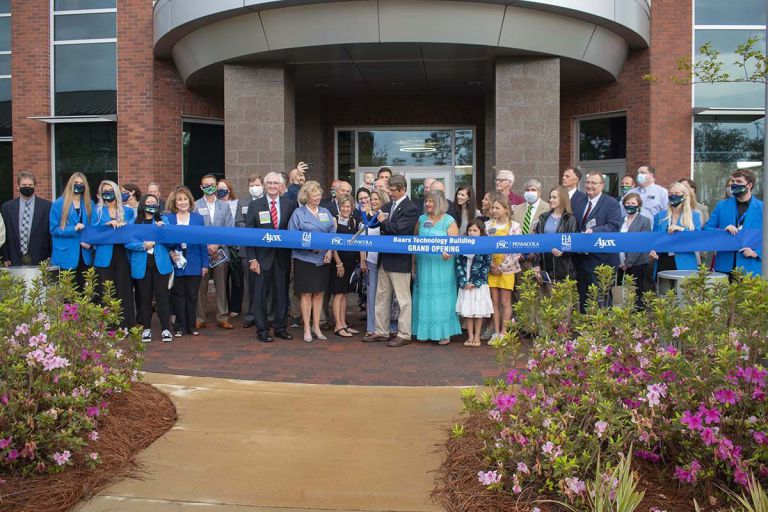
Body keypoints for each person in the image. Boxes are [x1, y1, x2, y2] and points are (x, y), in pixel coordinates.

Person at [362, 174, 420, 347]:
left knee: (403, 299)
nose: (390, 193)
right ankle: (381, 331)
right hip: (384, 259)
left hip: (400, 260)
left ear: (403, 189)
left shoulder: (411, 208)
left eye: (393, 190)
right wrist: (371, 218)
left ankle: (404, 333)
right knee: (382, 297)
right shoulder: (387, 205)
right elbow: (378, 226)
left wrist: (384, 221)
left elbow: (398, 230)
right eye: (389, 189)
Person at [245, 172, 297, 342]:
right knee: (261, 295)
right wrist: (252, 258)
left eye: (276, 183)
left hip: (282, 258)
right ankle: (262, 330)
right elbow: (249, 235)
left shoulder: (289, 204)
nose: (273, 186)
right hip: (261, 258)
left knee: (281, 294)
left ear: (281, 185)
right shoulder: (255, 205)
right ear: (265, 185)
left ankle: (280, 327)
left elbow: (293, 231)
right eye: (270, 183)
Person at [288, 181, 340, 342]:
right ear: (306, 196)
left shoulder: (325, 212)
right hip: (304, 259)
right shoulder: (299, 213)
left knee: (319, 293)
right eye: (314, 194)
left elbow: (333, 232)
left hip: (323, 259)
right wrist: (311, 248)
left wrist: (330, 251)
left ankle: (316, 326)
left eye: (319, 194)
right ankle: (306, 328)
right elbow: (293, 236)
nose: (317, 197)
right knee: (306, 294)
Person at [411, 190, 462, 345]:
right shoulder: (421, 219)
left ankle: (444, 333)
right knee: (424, 295)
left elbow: (455, 244)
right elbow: (414, 240)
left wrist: (450, 252)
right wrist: (413, 263)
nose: (427, 204)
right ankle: (425, 332)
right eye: (426, 201)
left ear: (439, 203)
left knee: (442, 297)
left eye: (430, 201)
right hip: (424, 264)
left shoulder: (449, 220)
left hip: (442, 265)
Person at [572, 171, 623, 311]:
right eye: (587, 182)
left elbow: (614, 226)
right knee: (584, 299)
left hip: (602, 260)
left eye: (593, 183)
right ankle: (585, 331)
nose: (589, 185)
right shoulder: (577, 202)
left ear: (602, 185)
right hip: (581, 260)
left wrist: (594, 231)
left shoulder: (611, 203)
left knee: (602, 299)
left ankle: (602, 331)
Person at [127, 194, 173, 343]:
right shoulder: (134, 222)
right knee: (144, 299)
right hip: (142, 266)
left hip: (160, 265)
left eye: (154, 202)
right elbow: (127, 243)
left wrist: (163, 231)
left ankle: (165, 329)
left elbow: (172, 241)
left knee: (162, 298)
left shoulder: (164, 221)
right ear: (142, 204)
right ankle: (146, 329)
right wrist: (143, 246)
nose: (152, 204)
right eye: (148, 202)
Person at [91, 180, 136, 328]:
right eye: (105, 191)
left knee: (124, 289)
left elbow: (133, 232)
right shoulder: (96, 211)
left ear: (116, 192)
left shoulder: (127, 211)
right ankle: (108, 326)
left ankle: (125, 325)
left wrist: (125, 225)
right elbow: (92, 233)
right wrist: (106, 226)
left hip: (122, 253)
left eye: (110, 190)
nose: (108, 194)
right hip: (104, 256)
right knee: (106, 290)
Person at [164, 186, 208, 337]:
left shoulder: (198, 218)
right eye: (179, 200)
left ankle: (191, 325)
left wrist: (204, 264)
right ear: (174, 203)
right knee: (178, 294)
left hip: (195, 262)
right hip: (177, 262)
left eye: (185, 199)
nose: (182, 202)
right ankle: (179, 326)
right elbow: (164, 241)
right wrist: (170, 251)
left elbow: (203, 241)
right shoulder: (168, 219)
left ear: (190, 201)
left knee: (192, 295)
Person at [704, 169, 763, 277]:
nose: (734, 184)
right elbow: (707, 228)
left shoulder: (763, 208)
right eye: (733, 181)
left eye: (739, 182)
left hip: (751, 267)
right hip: (724, 266)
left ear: (749, 185)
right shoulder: (721, 205)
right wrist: (722, 231)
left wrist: (758, 252)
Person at [194, 174, 234, 330]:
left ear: (216, 186)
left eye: (212, 184)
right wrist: (206, 246)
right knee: (200, 286)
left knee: (221, 284)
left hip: (220, 252)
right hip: (201, 252)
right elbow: (194, 230)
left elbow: (229, 229)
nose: (209, 187)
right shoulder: (195, 206)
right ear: (201, 187)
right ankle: (199, 317)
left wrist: (217, 244)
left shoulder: (224, 206)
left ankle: (222, 316)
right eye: (206, 184)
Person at [359, 188, 398, 338]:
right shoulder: (365, 217)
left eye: (376, 199)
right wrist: (362, 259)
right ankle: (371, 327)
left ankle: (389, 327)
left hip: (385, 260)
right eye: (372, 199)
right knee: (371, 294)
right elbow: (362, 239)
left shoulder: (386, 216)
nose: (373, 202)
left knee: (386, 297)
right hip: (371, 261)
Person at [486, 192, 521, 340]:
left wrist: (501, 267)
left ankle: (504, 332)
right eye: (492, 207)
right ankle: (496, 331)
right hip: (492, 269)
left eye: (497, 208)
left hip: (507, 270)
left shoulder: (514, 227)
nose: (494, 210)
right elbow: (484, 247)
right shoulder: (488, 226)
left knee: (505, 301)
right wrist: (491, 265)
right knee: (494, 301)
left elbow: (517, 250)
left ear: (506, 209)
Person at [50, 173, 94, 289]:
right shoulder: (58, 204)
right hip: (66, 254)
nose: (78, 185)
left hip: (85, 255)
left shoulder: (90, 204)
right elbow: (53, 229)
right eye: (76, 183)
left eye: (81, 184)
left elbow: (93, 228)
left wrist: (90, 242)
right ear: (70, 184)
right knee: (67, 295)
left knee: (85, 293)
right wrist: (73, 229)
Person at [649, 182, 702, 277]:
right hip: (664, 260)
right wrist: (653, 251)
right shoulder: (660, 216)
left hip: (685, 262)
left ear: (684, 195)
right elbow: (655, 238)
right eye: (671, 194)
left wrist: (681, 229)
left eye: (677, 194)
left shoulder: (694, 215)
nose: (673, 196)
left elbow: (697, 238)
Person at [455, 219, 493, 347]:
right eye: (470, 230)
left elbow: (486, 266)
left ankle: (477, 336)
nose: (472, 233)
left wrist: (475, 282)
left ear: (481, 232)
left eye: (475, 230)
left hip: (479, 285)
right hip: (465, 284)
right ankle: (470, 336)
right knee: (468, 312)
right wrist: (463, 281)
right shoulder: (462, 245)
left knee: (478, 311)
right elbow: (458, 264)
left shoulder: (485, 246)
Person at [2, 171, 52, 267]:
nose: (27, 187)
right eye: (24, 185)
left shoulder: (47, 206)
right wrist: (5, 257)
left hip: (41, 256)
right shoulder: (7, 207)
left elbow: (50, 232)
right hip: (14, 257)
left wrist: (50, 255)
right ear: (18, 186)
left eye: (30, 185)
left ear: (35, 186)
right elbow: (4, 233)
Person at [532, 186, 578, 287]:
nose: (550, 200)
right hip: (545, 268)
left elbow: (572, 242)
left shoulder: (570, 219)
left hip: (563, 269)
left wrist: (563, 252)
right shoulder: (543, 218)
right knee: (546, 301)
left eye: (554, 197)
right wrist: (536, 264)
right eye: (550, 197)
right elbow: (537, 242)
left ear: (562, 199)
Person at [329, 194, 361, 337]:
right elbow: (331, 243)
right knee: (338, 294)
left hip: (350, 263)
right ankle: (338, 326)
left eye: (348, 206)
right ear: (339, 206)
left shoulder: (353, 221)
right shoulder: (334, 221)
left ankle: (344, 323)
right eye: (343, 206)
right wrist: (338, 263)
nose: (346, 209)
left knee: (345, 294)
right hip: (338, 263)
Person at [236, 173, 263, 329]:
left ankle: (266, 314)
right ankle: (251, 315)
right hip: (247, 251)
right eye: (252, 185)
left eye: (257, 185)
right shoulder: (243, 202)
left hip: (264, 251)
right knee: (249, 285)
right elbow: (238, 222)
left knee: (265, 285)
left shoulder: (267, 202)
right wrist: (252, 229)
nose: (255, 188)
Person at [618, 192, 652, 308]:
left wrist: (628, 263)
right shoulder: (620, 221)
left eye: (633, 203)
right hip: (620, 262)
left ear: (639, 205)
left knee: (636, 293)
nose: (630, 205)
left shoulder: (644, 221)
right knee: (620, 293)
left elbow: (641, 243)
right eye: (627, 203)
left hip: (638, 263)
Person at [217, 178, 244, 319]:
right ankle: (224, 306)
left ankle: (235, 306)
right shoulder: (215, 205)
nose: (222, 191)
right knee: (222, 279)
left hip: (236, 247)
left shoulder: (237, 203)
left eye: (224, 188)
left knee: (237, 278)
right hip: (221, 247)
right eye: (219, 188)